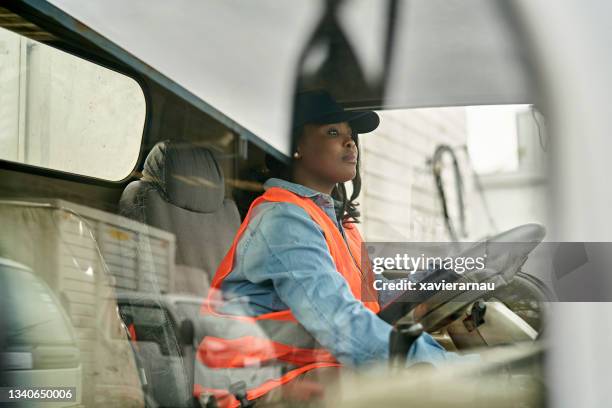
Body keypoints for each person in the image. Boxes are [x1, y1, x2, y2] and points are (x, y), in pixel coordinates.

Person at [194, 90, 460, 407]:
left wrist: (432, 283)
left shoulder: (336, 222)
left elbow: (369, 294)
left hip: (303, 368)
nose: (351, 143)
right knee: (423, 391)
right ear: (295, 147)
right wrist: (442, 366)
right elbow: (337, 320)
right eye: (333, 132)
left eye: (352, 136)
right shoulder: (284, 220)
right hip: (254, 387)